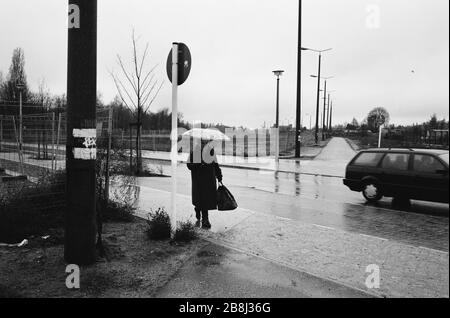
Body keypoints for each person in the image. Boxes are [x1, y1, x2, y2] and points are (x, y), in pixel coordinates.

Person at [187, 139, 223, 229]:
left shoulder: (211, 152)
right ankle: (201, 214)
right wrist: (198, 164)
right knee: (201, 199)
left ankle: (203, 216)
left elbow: (216, 165)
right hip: (198, 180)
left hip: (209, 180)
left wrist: (219, 177)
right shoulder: (195, 151)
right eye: (204, 142)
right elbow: (189, 165)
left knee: (206, 200)